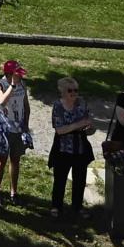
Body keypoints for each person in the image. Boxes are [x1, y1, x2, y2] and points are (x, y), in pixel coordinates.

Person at [48, 75, 97, 219]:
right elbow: (60, 130)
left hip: (80, 147)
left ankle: (77, 207)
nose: (74, 93)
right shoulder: (58, 106)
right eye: (70, 90)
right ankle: (56, 206)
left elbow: (89, 127)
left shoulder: (82, 104)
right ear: (63, 91)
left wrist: (90, 128)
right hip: (63, 148)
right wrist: (79, 124)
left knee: (80, 180)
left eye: (76, 90)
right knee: (60, 179)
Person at [0, 59, 31, 206]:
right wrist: (12, 85)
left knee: (15, 160)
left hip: (18, 128)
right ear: (9, 74)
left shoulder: (22, 84)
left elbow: (26, 105)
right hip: (4, 128)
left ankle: (14, 193)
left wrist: (26, 124)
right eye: (17, 74)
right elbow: (2, 101)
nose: (20, 76)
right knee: (2, 160)